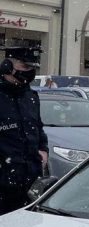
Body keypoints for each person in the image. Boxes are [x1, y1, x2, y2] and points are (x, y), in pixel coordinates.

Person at [0, 47, 48, 215]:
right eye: (25, 67)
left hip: (30, 185)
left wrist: (43, 150)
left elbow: (38, 128)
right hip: (3, 187)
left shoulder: (31, 97)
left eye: (32, 68)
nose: (29, 72)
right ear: (7, 66)